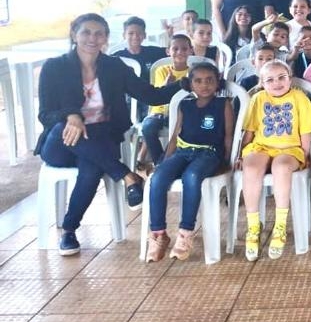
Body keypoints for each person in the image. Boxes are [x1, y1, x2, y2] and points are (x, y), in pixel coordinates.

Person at [36, 14, 183, 256]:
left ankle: (69, 230)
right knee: (64, 128)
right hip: (60, 145)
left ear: (105, 38)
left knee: (92, 168)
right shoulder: (55, 67)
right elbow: (45, 114)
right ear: (74, 34)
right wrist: (72, 116)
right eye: (86, 32)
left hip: (100, 142)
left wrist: (185, 84)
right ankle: (127, 175)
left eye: (99, 34)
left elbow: (151, 95)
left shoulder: (114, 67)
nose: (92, 38)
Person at [146, 62, 235, 262]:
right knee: (158, 178)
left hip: (209, 154)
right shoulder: (185, 105)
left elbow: (228, 136)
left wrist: (226, 161)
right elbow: (176, 135)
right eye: (198, 81)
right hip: (183, 151)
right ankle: (159, 234)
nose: (204, 85)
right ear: (190, 84)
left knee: (191, 177)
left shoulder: (224, 104)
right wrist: (165, 160)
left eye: (210, 80)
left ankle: (186, 232)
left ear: (217, 82)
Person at [238, 60, 311, 260]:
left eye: (282, 77)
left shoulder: (300, 98)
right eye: (270, 80)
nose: (277, 83)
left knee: (281, 167)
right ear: (262, 83)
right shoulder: (258, 98)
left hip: (290, 149)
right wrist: (240, 153)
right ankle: (253, 225)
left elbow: (306, 131)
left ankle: (280, 225)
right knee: (251, 168)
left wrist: (306, 154)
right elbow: (250, 130)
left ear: (290, 78)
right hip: (261, 146)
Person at [140, 33, 193, 166]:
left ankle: (172, 161)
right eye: (175, 49)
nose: (180, 52)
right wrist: (167, 83)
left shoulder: (193, 72)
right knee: (147, 128)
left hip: (183, 113)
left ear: (191, 50)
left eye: (184, 49)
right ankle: (160, 163)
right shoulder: (161, 70)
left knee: (186, 131)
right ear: (168, 51)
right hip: (160, 112)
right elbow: (158, 95)